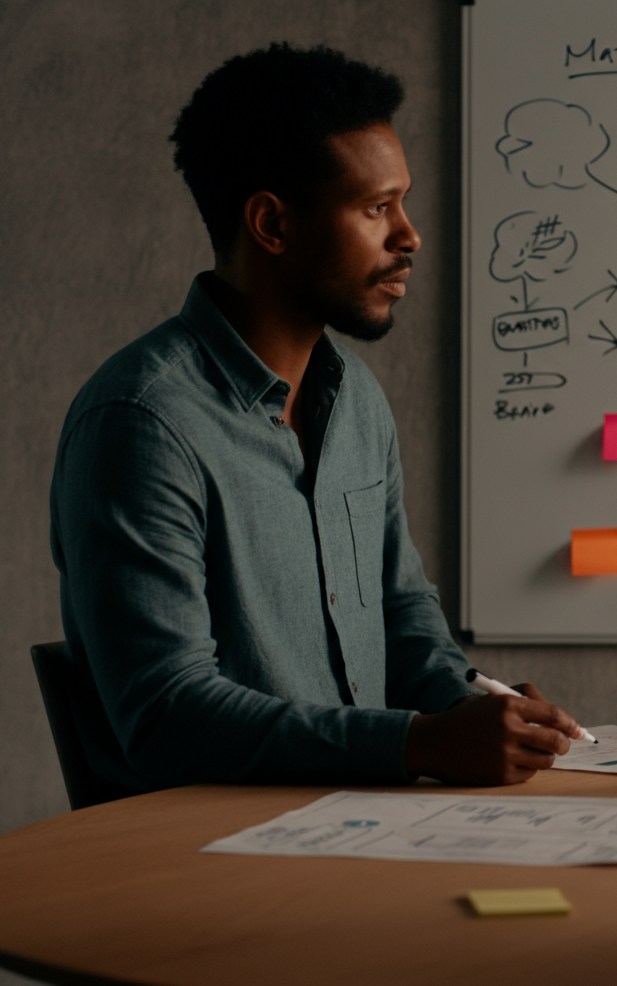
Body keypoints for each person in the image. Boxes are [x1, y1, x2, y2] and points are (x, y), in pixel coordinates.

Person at [50, 43, 582, 795]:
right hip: (207, 861)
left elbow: (403, 615)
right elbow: (166, 714)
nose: (409, 236)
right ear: (271, 223)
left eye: (402, 202)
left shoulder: (355, 397)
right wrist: (420, 742)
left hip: (360, 828)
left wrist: (473, 707)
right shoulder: (140, 423)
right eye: (376, 208)